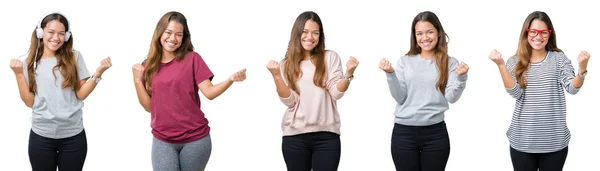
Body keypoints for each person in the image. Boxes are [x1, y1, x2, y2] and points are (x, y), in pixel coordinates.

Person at [131, 11, 247, 171]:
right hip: (163, 140)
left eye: (179, 34)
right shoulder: (148, 66)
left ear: (184, 38)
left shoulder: (193, 59)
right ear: (160, 32)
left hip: (196, 140)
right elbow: (149, 107)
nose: (173, 38)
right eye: (169, 32)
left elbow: (210, 93)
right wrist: (137, 80)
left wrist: (231, 79)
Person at [488, 11, 590, 171]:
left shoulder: (559, 58)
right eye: (533, 31)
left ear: (550, 34)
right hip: (522, 142)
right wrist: (501, 65)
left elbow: (572, 88)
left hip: (555, 143)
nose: (538, 36)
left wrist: (582, 70)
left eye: (544, 32)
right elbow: (515, 93)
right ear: (526, 33)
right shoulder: (514, 62)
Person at [9, 12, 112, 171]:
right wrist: (18, 74)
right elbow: (30, 102)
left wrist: (98, 73)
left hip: (73, 136)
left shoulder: (74, 57)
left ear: (67, 36)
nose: (56, 38)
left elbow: (81, 94)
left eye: (61, 34)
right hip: (41, 136)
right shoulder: (30, 63)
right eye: (51, 32)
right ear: (40, 32)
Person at [266, 11, 359, 171]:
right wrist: (276, 76)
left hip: (327, 136)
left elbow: (336, 93)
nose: (310, 37)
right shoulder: (286, 64)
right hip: (294, 137)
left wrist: (349, 74)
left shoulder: (329, 57)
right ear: (297, 33)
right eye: (305, 32)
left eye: (315, 33)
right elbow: (289, 101)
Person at [379, 11, 469, 171]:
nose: (425, 37)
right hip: (404, 133)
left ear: (438, 33)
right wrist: (390, 74)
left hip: (435, 134)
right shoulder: (405, 61)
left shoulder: (450, 63)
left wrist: (461, 78)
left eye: (429, 32)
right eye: (419, 33)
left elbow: (451, 97)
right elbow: (400, 98)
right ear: (414, 36)